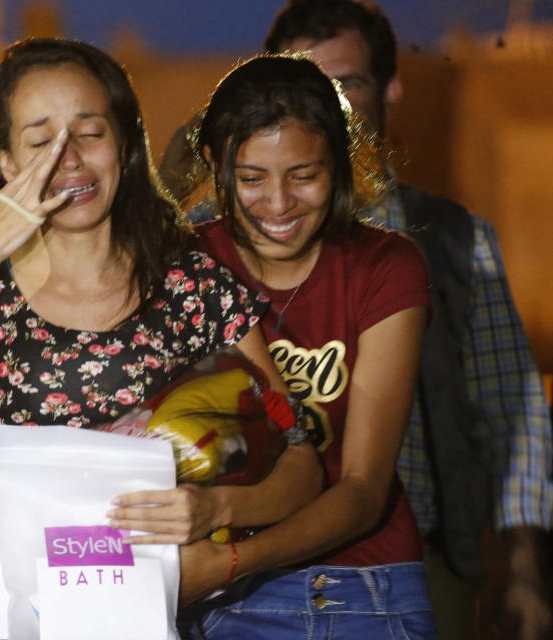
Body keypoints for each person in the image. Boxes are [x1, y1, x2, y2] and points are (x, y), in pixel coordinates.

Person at [0, 38, 323, 640]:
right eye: (40, 141)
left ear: (125, 142)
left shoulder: (191, 283)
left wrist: (218, 509)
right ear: (4, 162)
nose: (71, 160)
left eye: (90, 132)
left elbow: (300, 459)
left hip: (141, 610)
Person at [263, 2, 552, 639]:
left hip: (417, 565)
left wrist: (525, 571)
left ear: (391, 89)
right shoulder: (222, 237)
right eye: (309, 87)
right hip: (258, 575)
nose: (329, 107)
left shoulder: (452, 241)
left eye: (350, 84)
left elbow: (511, 410)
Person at [152, 54, 434, 638]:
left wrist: (233, 561)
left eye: (304, 175)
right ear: (216, 165)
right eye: (252, 178)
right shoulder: (181, 264)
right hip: (203, 597)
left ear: (341, 165)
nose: (278, 205)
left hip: (358, 588)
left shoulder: (385, 266)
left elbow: (361, 489)